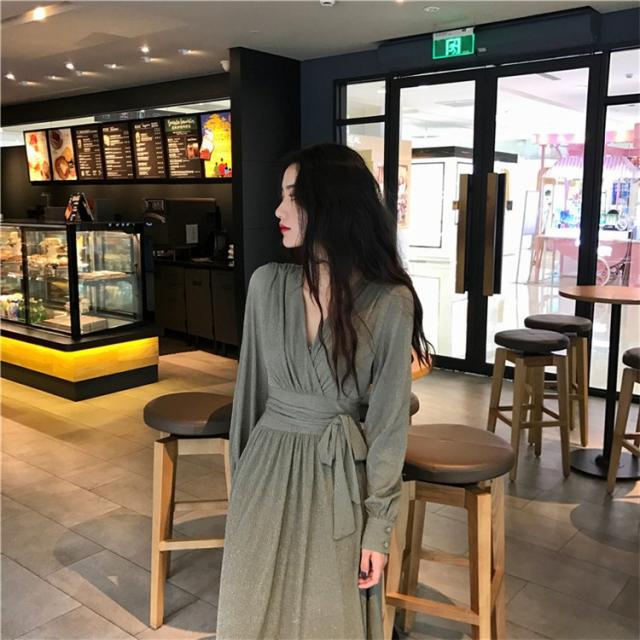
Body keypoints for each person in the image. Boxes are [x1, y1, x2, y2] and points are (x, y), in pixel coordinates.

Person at [216, 143, 430, 639]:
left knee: (328, 618)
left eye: (292, 196)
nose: (278, 210)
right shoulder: (267, 286)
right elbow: (250, 397)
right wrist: (241, 484)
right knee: (250, 613)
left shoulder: (387, 301)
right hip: (265, 474)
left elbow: (388, 425)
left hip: (340, 482)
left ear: (331, 203)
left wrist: (378, 528)